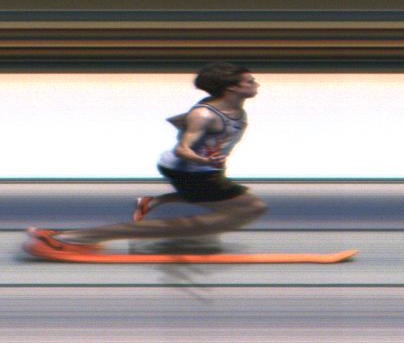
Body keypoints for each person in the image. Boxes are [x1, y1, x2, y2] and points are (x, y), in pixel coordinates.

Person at [25, 62, 271, 256]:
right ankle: (74, 238)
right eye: (250, 81)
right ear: (231, 88)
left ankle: (156, 206)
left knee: (227, 208)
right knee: (250, 209)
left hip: (203, 171)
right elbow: (182, 149)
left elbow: (180, 121)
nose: (256, 84)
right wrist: (203, 159)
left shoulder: (229, 107)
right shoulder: (205, 114)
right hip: (193, 172)